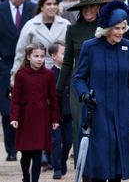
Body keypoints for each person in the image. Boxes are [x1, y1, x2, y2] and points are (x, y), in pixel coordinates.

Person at [72, 0, 129, 181]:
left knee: (119, 162)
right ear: (107, 27)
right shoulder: (90, 46)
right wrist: (85, 94)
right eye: (116, 28)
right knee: (99, 163)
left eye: (123, 28)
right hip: (97, 112)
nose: (120, 32)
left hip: (122, 113)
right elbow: (78, 78)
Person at [56, 0, 107, 167]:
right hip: (79, 86)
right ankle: (82, 170)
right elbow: (68, 62)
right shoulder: (73, 30)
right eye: (84, 7)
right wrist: (58, 90)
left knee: (101, 128)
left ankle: (101, 169)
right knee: (80, 127)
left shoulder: (107, 29)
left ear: (98, 7)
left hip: (103, 84)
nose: (88, 10)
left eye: (92, 6)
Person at [10, 42, 60, 182]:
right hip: (25, 118)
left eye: (42, 56)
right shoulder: (21, 74)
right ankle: (26, 176)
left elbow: (53, 98)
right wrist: (14, 117)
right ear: (28, 57)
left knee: (38, 152)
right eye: (36, 56)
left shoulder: (49, 75)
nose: (39, 59)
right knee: (26, 155)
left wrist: (55, 119)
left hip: (41, 118)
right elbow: (15, 98)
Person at [0, 0, 36, 162]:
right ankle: (11, 149)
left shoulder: (32, 9)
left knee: (28, 107)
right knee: (7, 110)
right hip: (5, 65)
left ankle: (27, 145)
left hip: (27, 64)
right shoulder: (1, 10)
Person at [10, 0, 70, 86]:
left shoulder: (66, 25)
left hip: (62, 75)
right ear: (41, 6)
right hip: (36, 74)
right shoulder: (30, 25)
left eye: (55, 4)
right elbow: (20, 54)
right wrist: (14, 78)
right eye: (48, 4)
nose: (52, 7)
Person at [48, 41, 73, 179]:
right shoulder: (50, 74)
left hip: (68, 113)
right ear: (53, 56)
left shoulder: (71, 72)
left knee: (68, 141)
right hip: (54, 115)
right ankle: (57, 168)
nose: (66, 55)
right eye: (63, 53)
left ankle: (63, 160)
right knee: (56, 141)